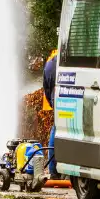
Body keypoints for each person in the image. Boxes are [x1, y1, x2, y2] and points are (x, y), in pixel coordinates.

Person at [41, 49, 59, 180]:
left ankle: (54, 171)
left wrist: (52, 103)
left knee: (57, 128)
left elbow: (46, 89)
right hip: (71, 100)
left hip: (56, 100)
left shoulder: (49, 64)